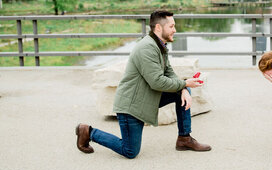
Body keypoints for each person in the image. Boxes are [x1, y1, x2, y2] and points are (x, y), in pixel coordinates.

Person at [75, 10, 211, 158]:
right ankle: (88, 132)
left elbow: (168, 72)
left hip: (146, 97)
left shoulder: (160, 45)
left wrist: (184, 87)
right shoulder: (147, 48)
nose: (175, 30)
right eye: (171, 26)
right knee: (130, 151)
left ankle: (184, 139)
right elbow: (157, 82)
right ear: (158, 27)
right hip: (131, 106)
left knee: (182, 93)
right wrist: (184, 83)